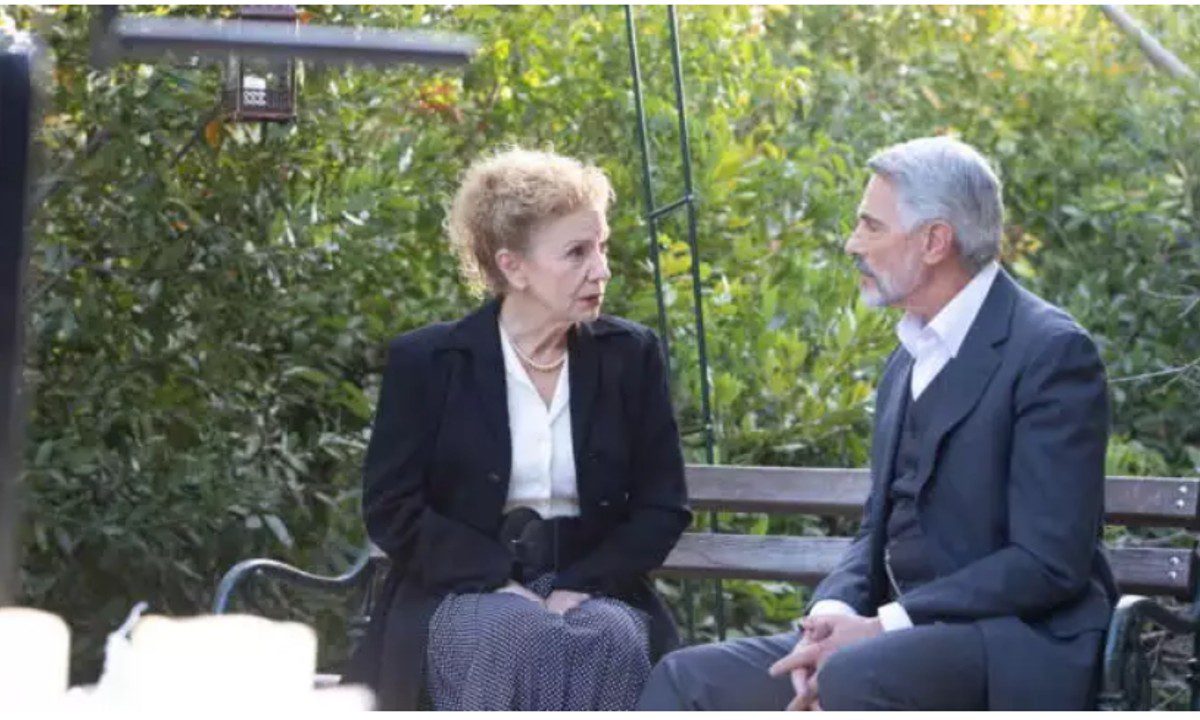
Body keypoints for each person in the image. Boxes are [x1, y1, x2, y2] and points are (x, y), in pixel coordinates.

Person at [637, 136, 1116, 711]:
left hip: (1014, 643)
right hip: (887, 642)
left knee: (854, 675)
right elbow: (877, 532)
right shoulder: (908, 357)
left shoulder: (1050, 352)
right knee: (688, 679)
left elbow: (1048, 563)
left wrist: (884, 626)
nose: (852, 243)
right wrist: (832, 615)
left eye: (871, 225)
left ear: (934, 240)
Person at [342, 148, 692, 711]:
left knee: (611, 636)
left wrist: (582, 584)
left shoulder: (630, 356)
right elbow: (392, 508)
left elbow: (663, 506)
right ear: (514, 267)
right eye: (576, 253)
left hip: (590, 581)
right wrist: (496, 578)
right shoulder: (429, 362)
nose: (601, 269)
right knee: (515, 634)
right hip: (461, 587)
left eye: (601, 247)